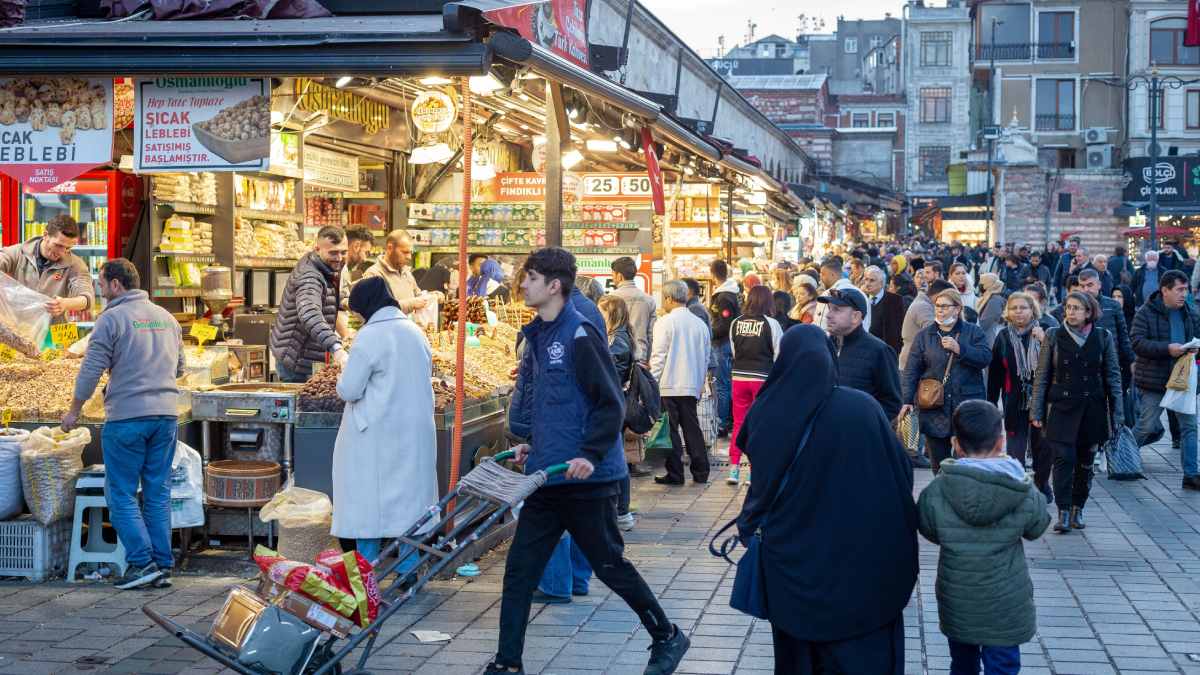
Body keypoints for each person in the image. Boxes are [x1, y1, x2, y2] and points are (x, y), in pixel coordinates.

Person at [495, 247, 689, 675]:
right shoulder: (542, 333)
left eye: (530, 277)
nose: (522, 284)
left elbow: (610, 403)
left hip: (586, 479)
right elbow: (558, 404)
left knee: (610, 566)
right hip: (548, 476)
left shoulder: (579, 334)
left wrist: (590, 454)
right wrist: (532, 443)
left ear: (554, 286)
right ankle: (507, 665)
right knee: (519, 573)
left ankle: (667, 636)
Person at [734, 325, 917, 675]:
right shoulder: (860, 407)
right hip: (860, 569)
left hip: (791, 567)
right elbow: (901, 474)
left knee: (798, 658)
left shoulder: (764, 411)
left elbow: (761, 485)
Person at [62, 258, 183, 590]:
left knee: (121, 494)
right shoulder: (167, 318)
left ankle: (141, 564)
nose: (101, 293)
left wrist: (74, 411)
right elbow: (180, 368)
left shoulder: (111, 318)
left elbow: (91, 370)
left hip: (127, 418)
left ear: (116, 284)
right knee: (157, 493)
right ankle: (162, 565)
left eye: (102, 285)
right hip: (166, 417)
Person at [917, 401, 1050, 675]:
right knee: (1002, 668)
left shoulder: (939, 490)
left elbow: (928, 527)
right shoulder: (1018, 488)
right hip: (1005, 603)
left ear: (956, 444)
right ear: (1001, 443)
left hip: (958, 602)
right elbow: (1037, 526)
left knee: (962, 666)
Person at [331, 277, 435, 574]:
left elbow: (350, 390)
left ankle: (365, 573)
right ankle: (409, 571)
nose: (357, 317)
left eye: (356, 311)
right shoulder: (415, 332)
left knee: (369, 508)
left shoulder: (368, 337)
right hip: (415, 432)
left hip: (377, 434)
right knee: (411, 506)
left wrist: (341, 374)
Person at [1030, 292, 1124, 531]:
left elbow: (1113, 376)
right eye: (1068, 307)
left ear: (1089, 312)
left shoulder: (1103, 336)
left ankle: (1077, 509)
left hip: (1092, 408)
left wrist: (1118, 414)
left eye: (1076, 308)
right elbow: (1042, 376)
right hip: (1060, 407)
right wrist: (1037, 411)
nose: (1070, 312)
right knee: (1063, 458)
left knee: (1084, 463)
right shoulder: (1053, 335)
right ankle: (1063, 511)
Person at [900, 288, 993, 474]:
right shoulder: (924, 335)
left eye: (945, 306)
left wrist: (960, 349)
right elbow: (911, 370)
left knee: (965, 464)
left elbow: (985, 357)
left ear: (957, 309)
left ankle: (962, 492)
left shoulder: (973, 331)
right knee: (939, 466)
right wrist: (907, 400)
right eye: (937, 306)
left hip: (967, 407)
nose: (939, 310)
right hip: (934, 407)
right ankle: (943, 491)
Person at [1129, 270, 1200, 491]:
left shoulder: (1191, 314)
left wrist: (1196, 348)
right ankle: (1123, 457)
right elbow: (1137, 343)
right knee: (1145, 426)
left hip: (1183, 382)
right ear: (1165, 290)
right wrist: (1166, 349)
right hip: (1155, 380)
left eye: (1186, 289)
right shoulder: (1145, 312)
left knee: (1190, 427)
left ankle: (1191, 474)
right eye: (1180, 289)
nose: (1184, 294)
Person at [987, 292, 1053, 502]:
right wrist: (991, 403)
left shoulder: (1047, 331)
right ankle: (1018, 488)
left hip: (1041, 400)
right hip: (1013, 400)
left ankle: (1042, 484)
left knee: (1043, 448)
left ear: (1032, 310)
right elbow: (995, 372)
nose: (1018, 312)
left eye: (1023, 307)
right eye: (1014, 308)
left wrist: (1044, 340)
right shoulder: (1003, 336)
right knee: (1015, 449)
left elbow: (1060, 363)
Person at [652, 280, 713, 486]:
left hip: (668, 384)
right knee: (692, 428)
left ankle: (675, 474)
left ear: (669, 298)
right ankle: (701, 472)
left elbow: (658, 357)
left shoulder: (664, 322)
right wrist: (699, 384)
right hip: (690, 384)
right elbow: (705, 358)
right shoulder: (699, 323)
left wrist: (652, 383)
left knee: (670, 431)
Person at [270, 225, 349, 383]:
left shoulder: (325, 267)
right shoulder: (309, 276)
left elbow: (325, 296)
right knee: (300, 399)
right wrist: (336, 348)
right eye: (333, 253)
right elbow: (310, 315)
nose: (339, 258)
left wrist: (345, 301)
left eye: (343, 252)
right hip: (297, 360)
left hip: (306, 355)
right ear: (317, 250)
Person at [726, 285, 781, 485]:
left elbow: (734, 351)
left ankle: (733, 469)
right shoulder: (771, 324)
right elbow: (779, 354)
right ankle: (752, 470)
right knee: (760, 423)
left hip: (739, 377)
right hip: (762, 378)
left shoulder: (735, 323)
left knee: (739, 423)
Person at [0, 213, 95, 326]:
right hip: (18, 331)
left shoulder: (75, 264)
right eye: (58, 245)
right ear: (45, 235)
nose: (62, 252)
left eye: (68, 248)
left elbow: (87, 299)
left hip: (54, 332)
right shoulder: (17, 253)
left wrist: (65, 303)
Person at [824, 286, 902, 422]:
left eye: (837, 310)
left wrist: (863, 425)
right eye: (829, 308)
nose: (828, 315)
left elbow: (892, 403)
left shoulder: (879, 351)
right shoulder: (823, 347)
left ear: (856, 317)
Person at [598, 294, 640, 527]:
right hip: (617, 402)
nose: (597, 316)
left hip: (614, 404)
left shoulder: (617, 341)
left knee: (616, 458)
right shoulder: (620, 336)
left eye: (601, 312)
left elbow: (607, 374)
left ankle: (622, 512)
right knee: (617, 457)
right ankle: (621, 511)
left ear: (611, 314)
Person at [1078, 268, 1136, 385]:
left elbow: (1123, 337)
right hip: (1084, 366)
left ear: (1099, 285)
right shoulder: (1075, 308)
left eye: (1090, 285)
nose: (1086, 290)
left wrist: (1132, 360)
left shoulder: (1113, 305)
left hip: (1110, 364)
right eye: (1082, 286)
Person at [363, 230, 430, 315]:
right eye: (405, 252)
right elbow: (372, 309)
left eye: (410, 252)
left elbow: (418, 295)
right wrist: (409, 304)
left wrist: (431, 296)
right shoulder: (373, 274)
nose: (409, 257)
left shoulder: (406, 273)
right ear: (389, 248)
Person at [708, 260, 740, 436]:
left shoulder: (724, 297)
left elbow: (725, 325)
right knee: (726, 385)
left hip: (721, 344)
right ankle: (730, 419)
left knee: (721, 386)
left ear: (712, 275)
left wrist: (707, 331)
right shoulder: (727, 293)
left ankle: (721, 424)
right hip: (724, 344)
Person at [610, 257, 656, 363]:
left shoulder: (609, 299)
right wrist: (648, 358)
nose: (612, 277)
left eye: (612, 274)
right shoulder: (648, 299)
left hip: (617, 356)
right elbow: (651, 333)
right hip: (641, 355)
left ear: (619, 276)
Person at [900, 278, 953, 371]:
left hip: (915, 360)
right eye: (948, 299)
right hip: (913, 363)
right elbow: (936, 334)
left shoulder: (924, 304)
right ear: (937, 296)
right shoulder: (923, 307)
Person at [335, 224, 375, 340]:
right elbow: (328, 305)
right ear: (356, 246)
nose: (364, 259)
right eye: (366, 252)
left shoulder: (343, 268)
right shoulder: (337, 266)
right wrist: (345, 334)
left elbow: (339, 299)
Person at [864, 266, 906, 360]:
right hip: (865, 350)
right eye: (866, 279)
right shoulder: (862, 299)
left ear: (881, 284)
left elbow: (901, 327)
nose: (867, 283)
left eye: (872, 280)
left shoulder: (895, 300)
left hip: (885, 352)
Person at [976, 272, 1007, 345]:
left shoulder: (994, 300)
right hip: (979, 338)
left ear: (988, 285)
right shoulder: (984, 297)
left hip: (986, 341)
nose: (980, 284)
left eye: (982, 282)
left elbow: (984, 322)